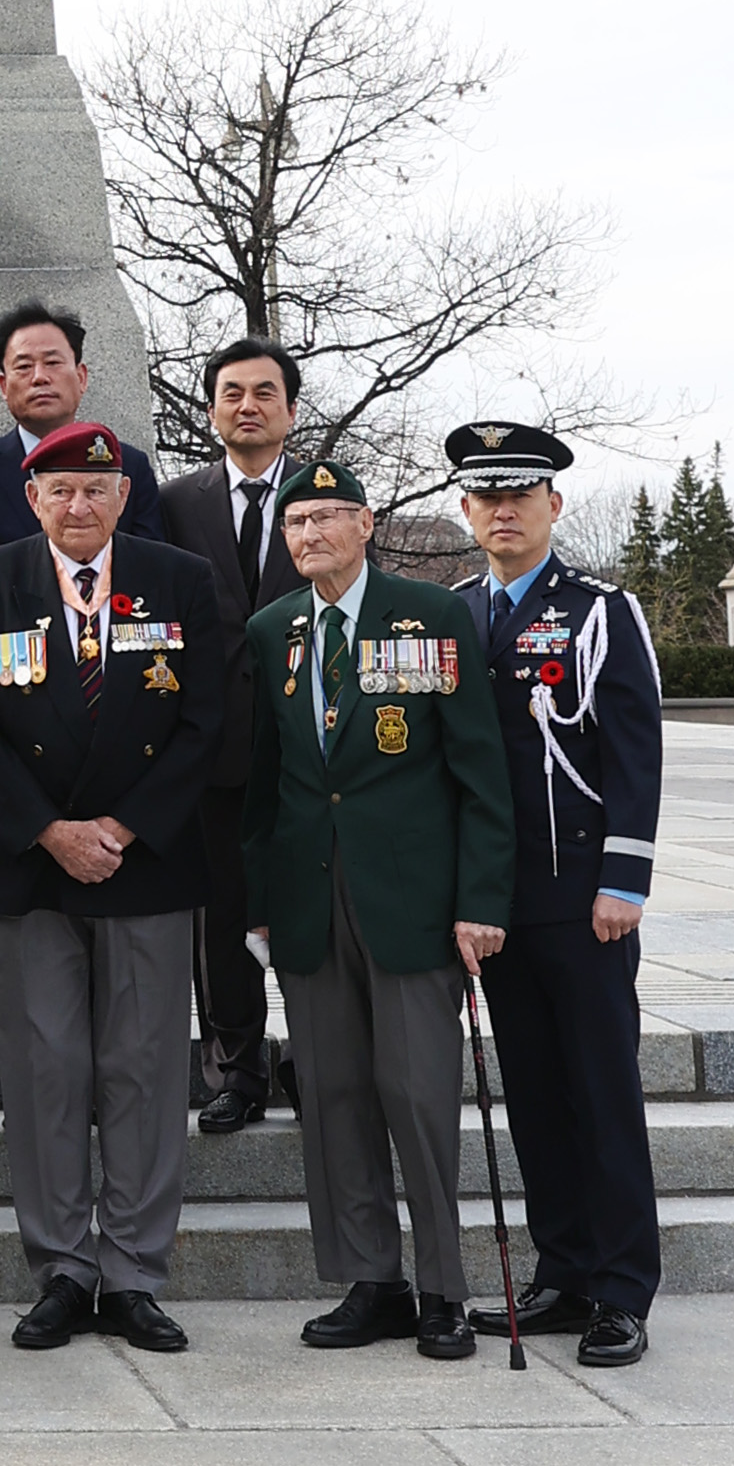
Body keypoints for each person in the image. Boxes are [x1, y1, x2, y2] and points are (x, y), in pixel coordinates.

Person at [0, 423, 225, 1354]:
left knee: (143, 1069)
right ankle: (62, 1266)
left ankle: (136, 1271)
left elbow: (202, 721)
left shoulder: (178, 580)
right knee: (44, 1071)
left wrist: (124, 827)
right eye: (59, 489)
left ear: (122, 497)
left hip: (145, 860)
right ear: (32, 497)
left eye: (96, 490)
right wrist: (51, 831)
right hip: (33, 863)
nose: (78, 506)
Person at [243, 456, 513, 1358]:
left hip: (413, 903)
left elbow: (478, 770)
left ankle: (443, 1288)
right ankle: (371, 1279)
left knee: (415, 1090)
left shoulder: (428, 616)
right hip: (309, 904)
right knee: (335, 1093)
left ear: (365, 523)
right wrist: (260, 903)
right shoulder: (271, 630)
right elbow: (262, 784)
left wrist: (480, 900)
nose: (308, 534)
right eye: (294, 523)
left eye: (325, 516)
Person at [446, 419, 664, 1366]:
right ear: (464, 509)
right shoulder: (451, 612)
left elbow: (633, 751)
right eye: (485, 494)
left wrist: (623, 878)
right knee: (533, 1091)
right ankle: (563, 1271)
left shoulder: (598, 610)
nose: (502, 508)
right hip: (495, 902)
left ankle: (621, 1289)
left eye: (519, 493)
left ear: (552, 505)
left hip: (582, 896)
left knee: (601, 1090)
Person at [158, 337, 309, 1131]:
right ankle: (235, 1068)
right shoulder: (174, 501)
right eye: (229, 392)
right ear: (211, 408)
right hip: (209, 748)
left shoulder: (324, 499)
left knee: (310, 905)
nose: (245, 404)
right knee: (217, 916)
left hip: (308, 750)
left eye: (262, 391)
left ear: (289, 406)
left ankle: (316, 1061)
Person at [0, 302, 166, 558]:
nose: (40, 377)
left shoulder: (131, 466)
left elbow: (152, 566)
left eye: (52, 362)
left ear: (81, 378)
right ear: (4, 387)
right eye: (24, 366)